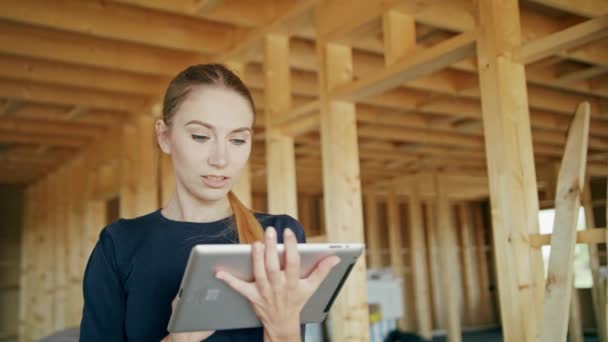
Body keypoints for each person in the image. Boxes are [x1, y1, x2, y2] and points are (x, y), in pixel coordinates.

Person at [79, 64, 340, 342]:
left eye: (238, 140)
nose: (221, 159)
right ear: (164, 136)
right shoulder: (118, 245)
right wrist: (180, 340)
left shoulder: (277, 237)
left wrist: (283, 326)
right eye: (201, 136)